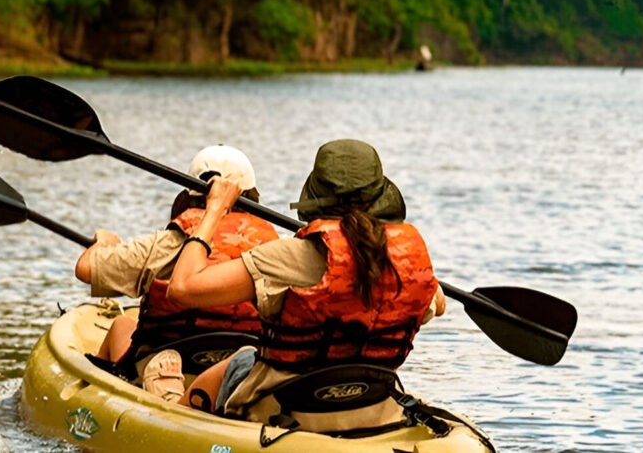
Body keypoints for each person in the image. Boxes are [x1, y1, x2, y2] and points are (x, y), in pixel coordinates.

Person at [165, 139, 446, 431]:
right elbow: (437, 304)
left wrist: (215, 209)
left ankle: (172, 415)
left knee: (242, 358)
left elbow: (182, 287)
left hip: (290, 408)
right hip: (372, 405)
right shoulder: (405, 263)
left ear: (315, 195)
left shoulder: (288, 257)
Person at [73, 145, 279, 401]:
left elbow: (86, 268)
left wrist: (105, 242)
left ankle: (101, 403)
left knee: (122, 324)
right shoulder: (274, 249)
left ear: (189, 193)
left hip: (171, 355)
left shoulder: (167, 244)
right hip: (242, 362)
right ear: (252, 196)